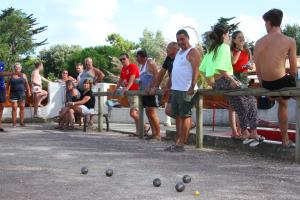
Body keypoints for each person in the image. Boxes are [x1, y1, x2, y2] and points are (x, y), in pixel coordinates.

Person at [200, 24, 264, 142]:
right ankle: (253, 132)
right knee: (251, 100)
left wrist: (212, 83)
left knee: (240, 104)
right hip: (227, 80)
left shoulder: (212, 49)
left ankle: (245, 132)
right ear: (224, 35)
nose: (229, 36)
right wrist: (231, 80)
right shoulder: (224, 47)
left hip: (219, 82)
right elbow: (221, 68)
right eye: (228, 34)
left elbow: (202, 69)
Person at [254, 9, 297, 147]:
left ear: (269, 22)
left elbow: (257, 67)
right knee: (285, 102)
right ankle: (285, 140)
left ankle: (285, 139)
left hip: (266, 82)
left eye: (265, 23)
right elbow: (294, 70)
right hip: (281, 81)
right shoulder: (289, 41)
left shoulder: (259, 42)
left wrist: (262, 84)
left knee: (282, 102)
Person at [164, 29, 201, 152]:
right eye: (178, 40)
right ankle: (177, 142)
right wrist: (169, 86)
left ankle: (181, 144)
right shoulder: (179, 53)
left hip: (186, 89)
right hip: (176, 89)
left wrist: (192, 86)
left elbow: (196, 70)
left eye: (182, 39)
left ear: (188, 38)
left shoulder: (193, 52)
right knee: (178, 117)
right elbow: (174, 71)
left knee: (184, 116)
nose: (180, 42)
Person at [229, 31, 254, 139]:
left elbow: (252, 65)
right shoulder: (231, 50)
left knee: (243, 106)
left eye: (243, 37)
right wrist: (239, 49)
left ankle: (241, 130)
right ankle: (234, 132)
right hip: (234, 77)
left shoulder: (247, 50)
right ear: (234, 40)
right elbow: (233, 63)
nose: (242, 39)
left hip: (244, 77)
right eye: (239, 37)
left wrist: (249, 65)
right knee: (232, 107)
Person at [114, 53, 141, 136]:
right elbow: (121, 79)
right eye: (121, 60)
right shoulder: (123, 69)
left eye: (124, 59)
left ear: (128, 58)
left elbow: (132, 78)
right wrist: (116, 88)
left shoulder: (132, 66)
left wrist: (127, 88)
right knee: (136, 113)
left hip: (135, 92)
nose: (122, 61)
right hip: (130, 93)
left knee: (133, 113)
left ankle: (145, 126)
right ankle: (138, 131)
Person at [136, 50, 161, 140]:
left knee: (152, 111)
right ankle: (154, 133)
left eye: (137, 57)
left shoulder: (149, 62)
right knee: (148, 111)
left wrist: (151, 87)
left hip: (151, 92)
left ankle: (158, 134)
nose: (136, 59)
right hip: (144, 92)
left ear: (143, 57)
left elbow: (156, 75)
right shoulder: (141, 66)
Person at [7, 63, 31, 127]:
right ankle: (14, 123)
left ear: (21, 68)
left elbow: (27, 84)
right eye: (16, 67)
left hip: (22, 94)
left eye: (19, 67)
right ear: (14, 68)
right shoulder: (11, 75)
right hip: (13, 94)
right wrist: (6, 93)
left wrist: (29, 91)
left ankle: (22, 123)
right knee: (14, 108)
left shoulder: (23, 75)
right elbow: (7, 85)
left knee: (22, 107)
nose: (18, 68)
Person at [0, 61, 21, 131]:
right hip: (8, 91)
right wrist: (13, 73)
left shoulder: (2, 63)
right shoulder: (12, 74)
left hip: (1, 87)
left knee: (2, 106)